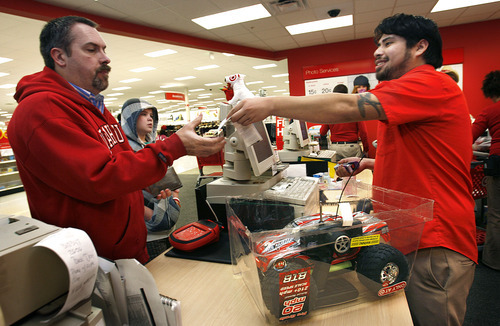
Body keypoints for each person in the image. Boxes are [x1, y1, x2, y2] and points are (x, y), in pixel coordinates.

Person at [228, 13, 476, 326]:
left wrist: (270, 105)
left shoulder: (429, 83)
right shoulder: (413, 93)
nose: (377, 50)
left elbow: (347, 106)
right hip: (414, 234)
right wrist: (370, 163)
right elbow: (425, 156)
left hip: (435, 240)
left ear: (420, 47)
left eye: (388, 42)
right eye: (378, 43)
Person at [7, 16, 225, 264]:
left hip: (125, 251)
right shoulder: (41, 111)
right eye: (91, 49)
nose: (105, 58)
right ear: (59, 56)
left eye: (104, 49)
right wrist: (173, 147)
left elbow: (121, 162)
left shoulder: (95, 106)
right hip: (94, 263)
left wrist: (148, 182)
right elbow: (99, 179)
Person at [121, 98, 181, 261]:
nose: (150, 119)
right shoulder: (125, 152)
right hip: (148, 234)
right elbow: (124, 194)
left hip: (167, 228)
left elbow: (169, 180)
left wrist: (175, 198)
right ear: (130, 118)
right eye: (143, 114)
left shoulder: (153, 146)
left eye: (152, 115)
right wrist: (149, 214)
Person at [472, 70, 500, 271]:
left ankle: (493, 261)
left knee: (496, 215)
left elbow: (468, 136)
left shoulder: (490, 112)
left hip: (497, 164)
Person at [320, 84, 369, 161]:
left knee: (335, 172)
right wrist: (366, 149)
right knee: (355, 172)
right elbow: (363, 132)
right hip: (352, 148)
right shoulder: (355, 110)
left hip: (335, 148)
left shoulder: (330, 112)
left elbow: (322, 132)